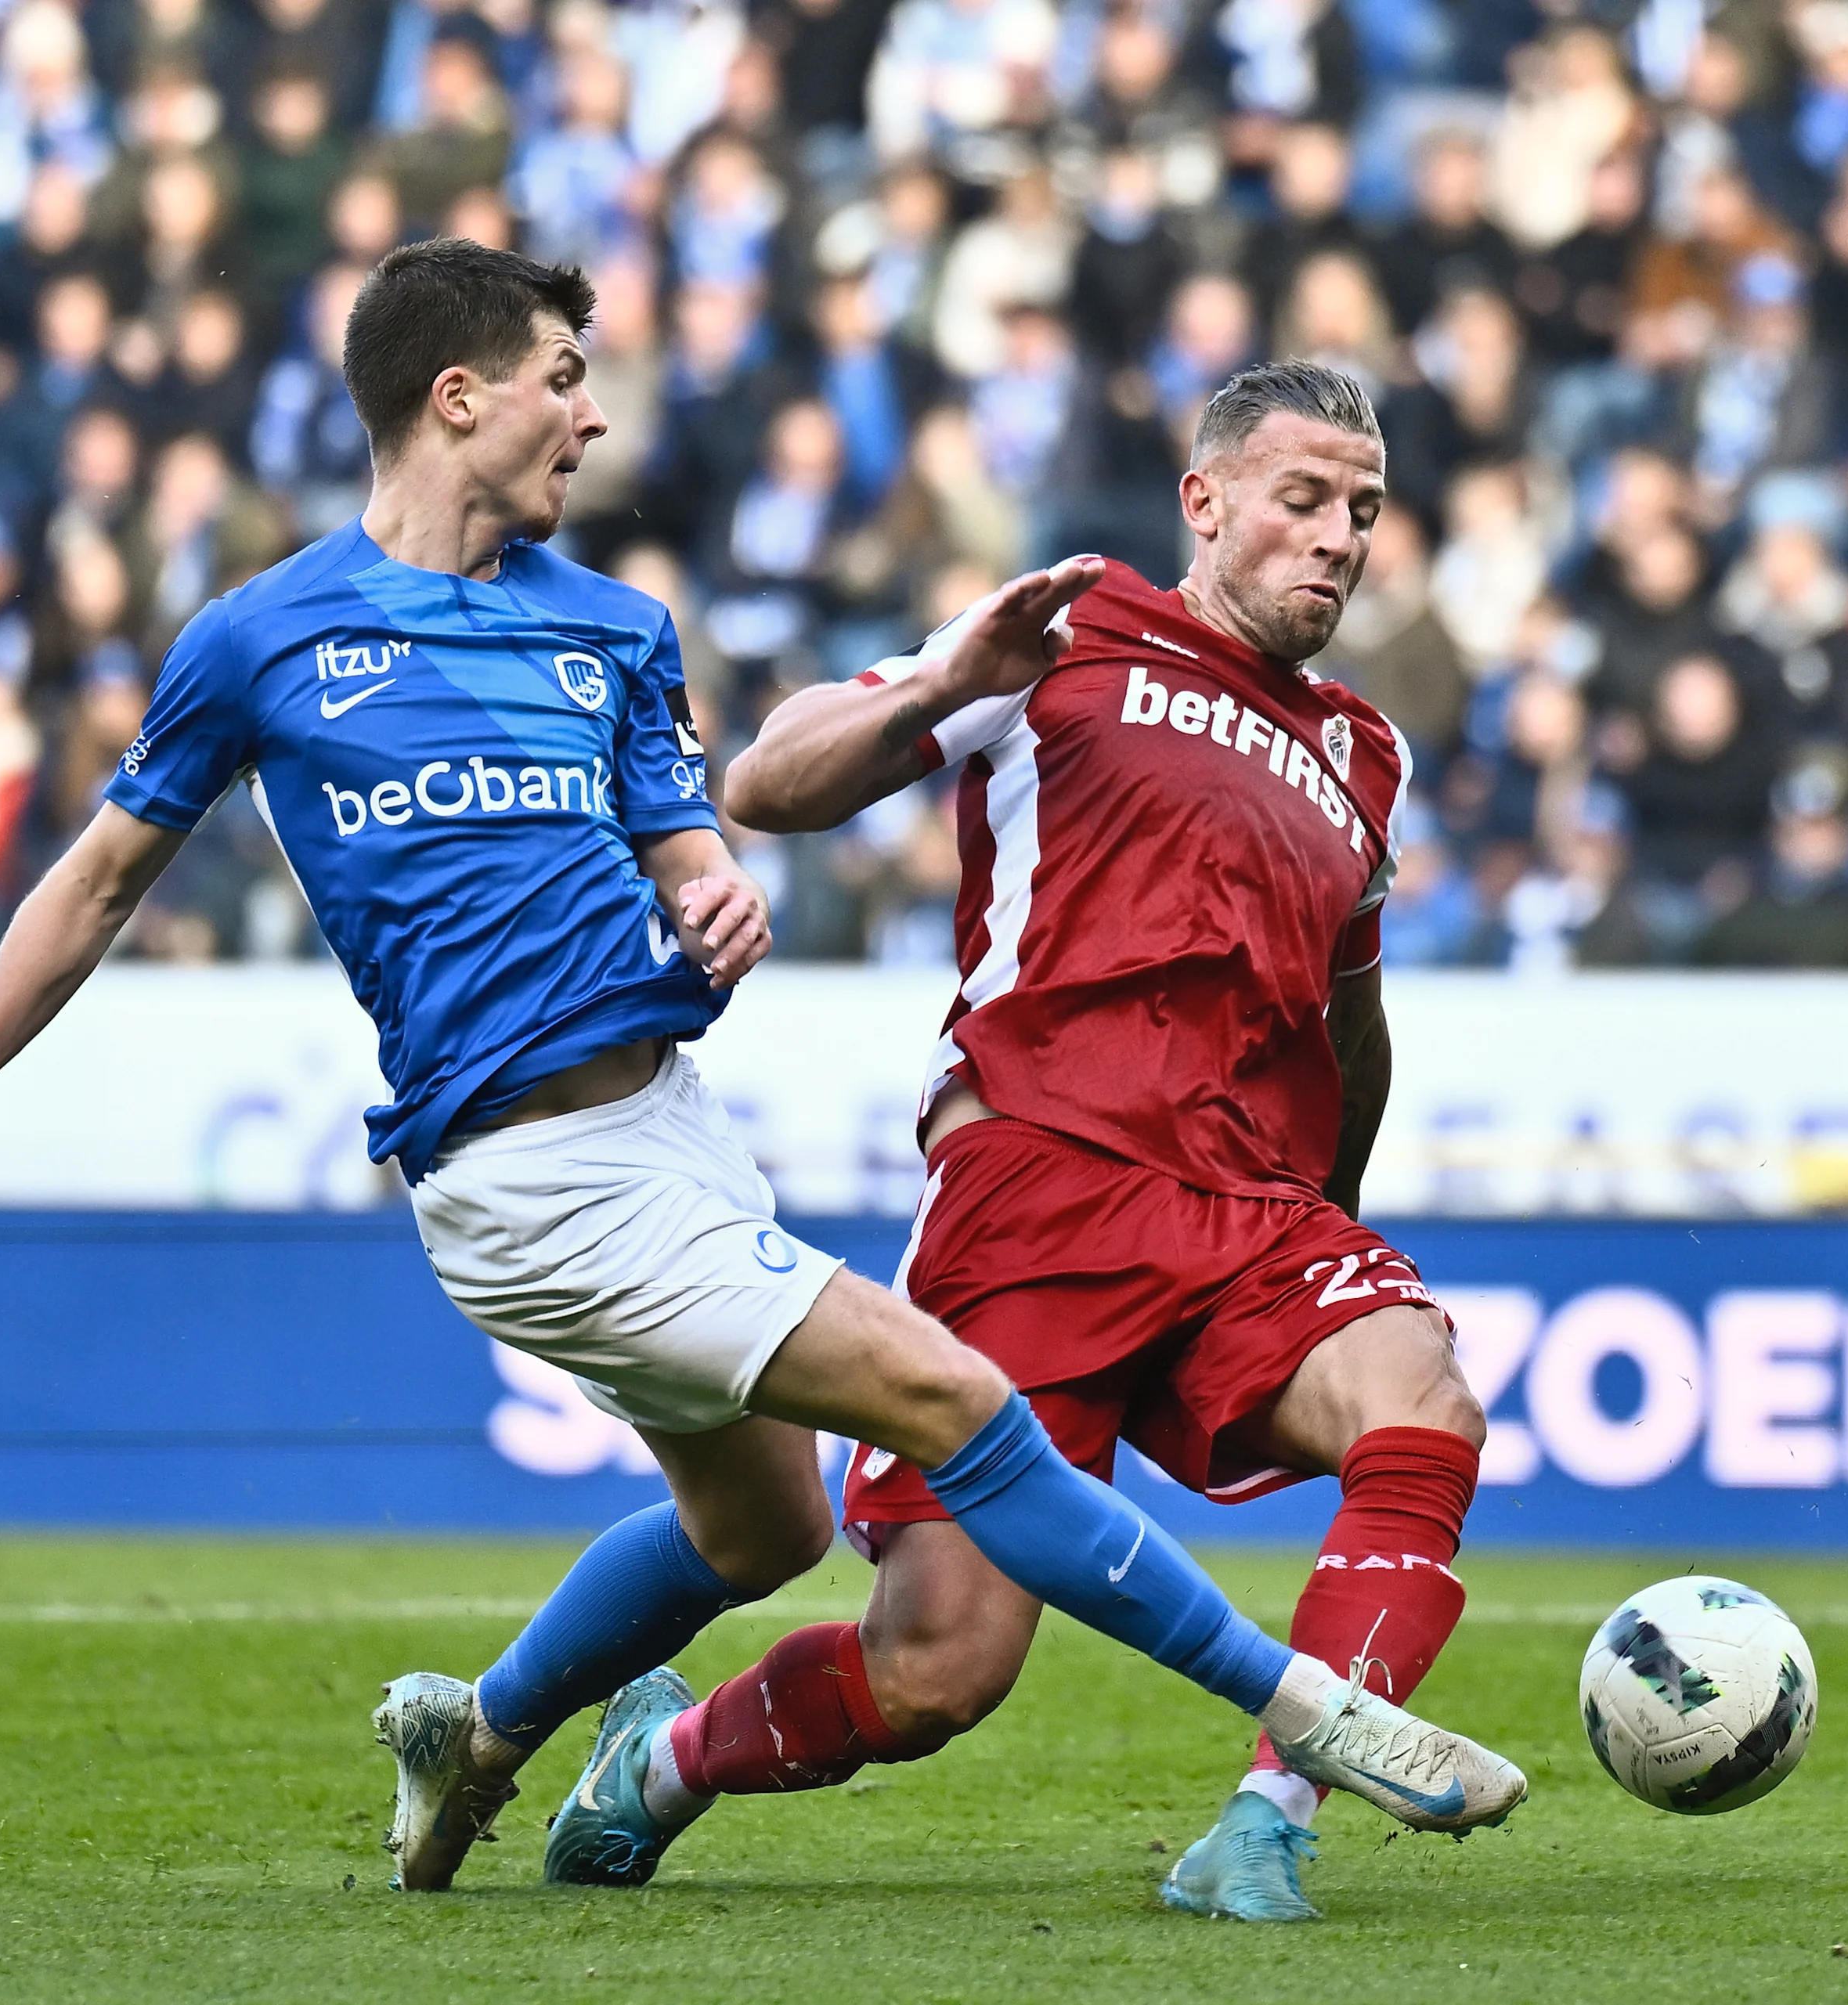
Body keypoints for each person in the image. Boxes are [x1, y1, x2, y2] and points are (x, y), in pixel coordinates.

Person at [0, 247, 1525, 1895]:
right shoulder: (266, 634)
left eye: (1366, 507)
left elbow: (699, 835)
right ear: (457, 395)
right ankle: (1318, 1714)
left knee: (760, 1531)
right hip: (546, 1171)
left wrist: (711, 902)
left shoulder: (607, 623)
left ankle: (494, 1722)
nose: (595, 413)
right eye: (563, 377)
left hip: (683, 1135)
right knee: (962, 1456)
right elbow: (96, 874)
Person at [555, 360, 1493, 1927]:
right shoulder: (1072, 631)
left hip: (1251, 1209)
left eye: (1365, 512)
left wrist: (1334, 1227)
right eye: (1305, 499)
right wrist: (935, 684)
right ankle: (666, 1755)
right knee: (936, 1670)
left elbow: (1352, 1019)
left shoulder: (1362, 752)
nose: (1340, 538)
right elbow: (768, 781)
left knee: (1426, 1400)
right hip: (1037, 1185)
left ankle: (1271, 1815)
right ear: (1207, 501)